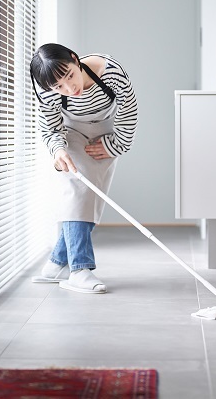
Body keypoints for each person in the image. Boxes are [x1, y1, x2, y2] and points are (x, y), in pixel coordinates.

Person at [29, 43, 138, 293]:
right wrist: (58, 150)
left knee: (89, 198)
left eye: (70, 75)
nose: (70, 88)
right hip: (72, 132)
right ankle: (79, 269)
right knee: (77, 190)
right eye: (59, 87)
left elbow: (129, 111)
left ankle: (56, 264)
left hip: (107, 131)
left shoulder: (110, 72)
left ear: (75, 60)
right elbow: (50, 127)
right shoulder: (47, 90)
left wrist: (115, 145)